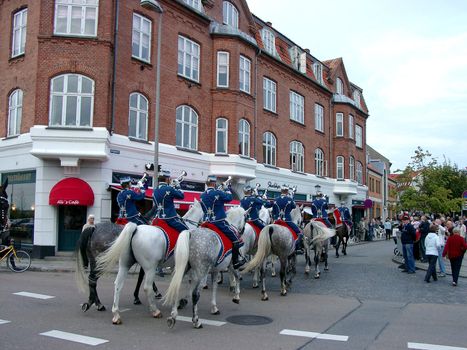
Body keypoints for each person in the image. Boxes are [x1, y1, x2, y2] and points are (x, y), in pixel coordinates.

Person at [200, 175, 245, 269]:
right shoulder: (218, 192)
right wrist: (226, 188)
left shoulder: (202, 195)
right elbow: (229, 198)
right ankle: (235, 262)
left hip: (206, 222)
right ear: (213, 183)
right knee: (236, 239)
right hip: (219, 222)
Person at [272, 185, 303, 253]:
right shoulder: (289, 199)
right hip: (287, 220)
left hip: (277, 220)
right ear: (287, 191)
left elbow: (274, 211)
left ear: (281, 191)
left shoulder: (275, 199)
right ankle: (298, 248)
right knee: (299, 232)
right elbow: (294, 207)